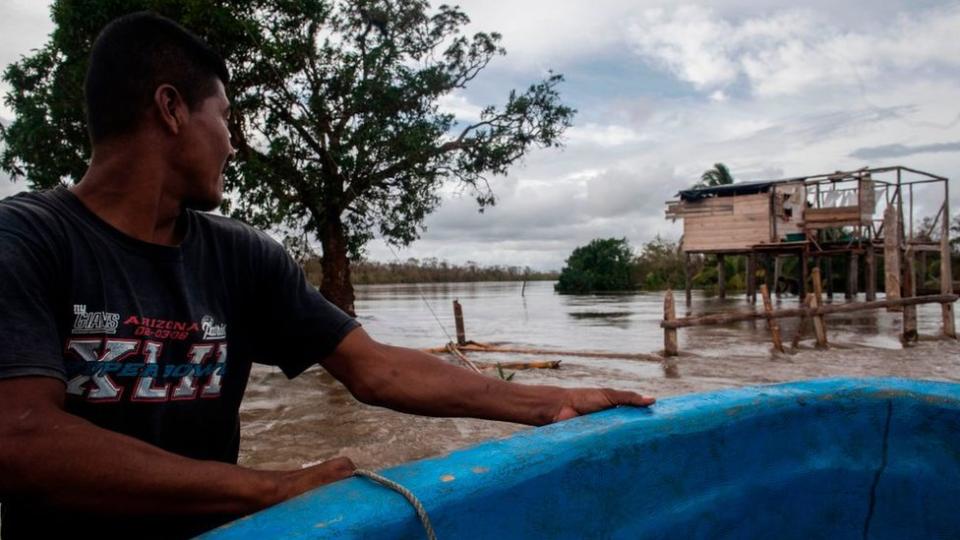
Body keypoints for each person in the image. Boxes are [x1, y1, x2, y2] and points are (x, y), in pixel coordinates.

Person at [0, 12, 655, 539]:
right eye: (225, 117)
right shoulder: (27, 240)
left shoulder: (241, 257)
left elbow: (376, 369)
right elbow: (22, 436)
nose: (232, 142)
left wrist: (549, 405)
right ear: (171, 109)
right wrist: (268, 487)